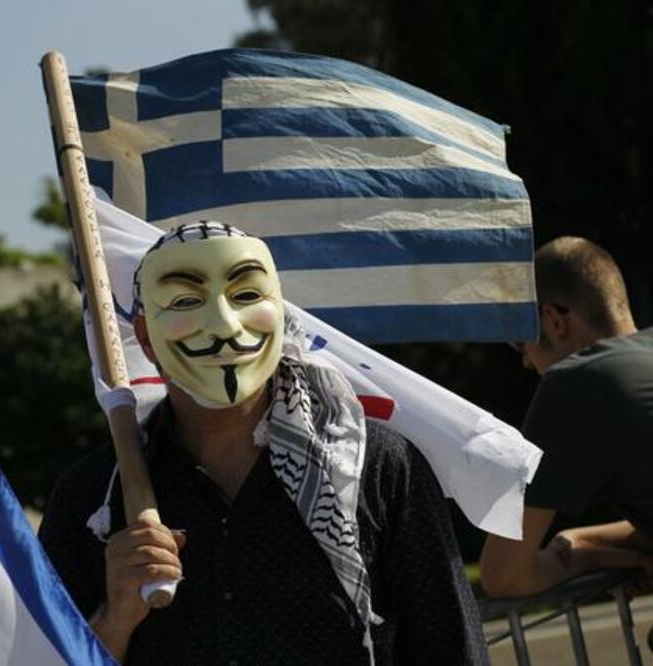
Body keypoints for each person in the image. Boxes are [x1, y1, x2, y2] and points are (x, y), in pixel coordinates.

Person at [40, 222, 488, 665]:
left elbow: (451, 649)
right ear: (144, 338)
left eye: (247, 296)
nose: (223, 324)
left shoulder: (378, 467)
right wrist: (114, 619)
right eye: (185, 301)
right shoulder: (93, 500)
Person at [480, 237, 653, 598]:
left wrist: (585, 559)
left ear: (554, 320)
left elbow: (503, 575)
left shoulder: (573, 382)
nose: (526, 360)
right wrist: (580, 540)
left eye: (518, 342)